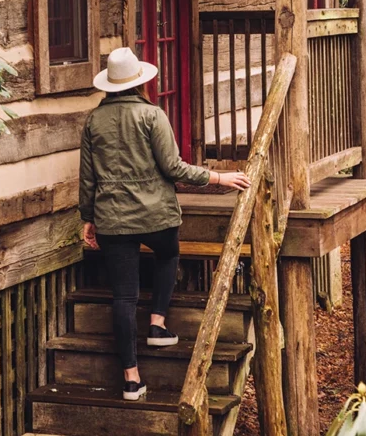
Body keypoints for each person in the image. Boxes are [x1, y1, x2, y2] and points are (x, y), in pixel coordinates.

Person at [79, 46, 250, 402]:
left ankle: (131, 379)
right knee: (168, 254)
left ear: (109, 86)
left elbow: (87, 179)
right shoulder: (152, 116)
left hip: (112, 220)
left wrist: (88, 218)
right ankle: (157, 322)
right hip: (156, 216)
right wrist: (219, 178)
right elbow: (173, 168)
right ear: (140, 82)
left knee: (123, 297)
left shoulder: (93, 122)